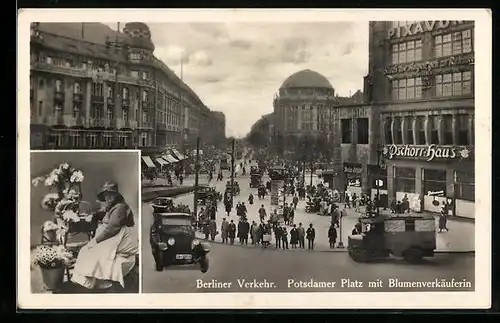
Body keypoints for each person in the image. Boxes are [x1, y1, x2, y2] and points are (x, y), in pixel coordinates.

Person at [71, 182, 138, 290]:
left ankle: (93, 281)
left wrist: (96, 240)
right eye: (106, 195)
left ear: (116, 195)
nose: (108, 197)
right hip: (114, 235)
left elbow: (112, 228)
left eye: (111, 194)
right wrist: (95, 215)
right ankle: (91, 281)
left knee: (90, 249)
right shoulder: (113, 206)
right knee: (88, 250)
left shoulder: (120, 208)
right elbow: (105, 214)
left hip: (121, 237)